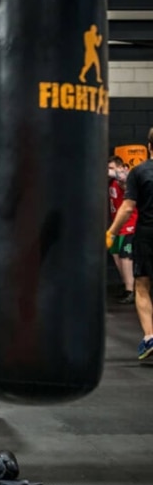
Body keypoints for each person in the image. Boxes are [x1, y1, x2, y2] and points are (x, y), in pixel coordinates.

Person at [107, 129, 153, 361]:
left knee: (142, 287)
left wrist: (111, 232)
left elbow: (127, 208)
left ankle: (150, 337)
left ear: (149, 146)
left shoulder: (140, 171)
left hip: (147, 235)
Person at [108, 156, 137, 304]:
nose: (109, 171)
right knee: (115, 253)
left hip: (129, 224)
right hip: (117, 226)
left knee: (126, 256)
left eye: (112, 167)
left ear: (120, 167)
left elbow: (124, 179)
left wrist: (112, 172)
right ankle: (127, 285)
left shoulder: (123, 180)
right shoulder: (111, 182)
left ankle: (131, 291)